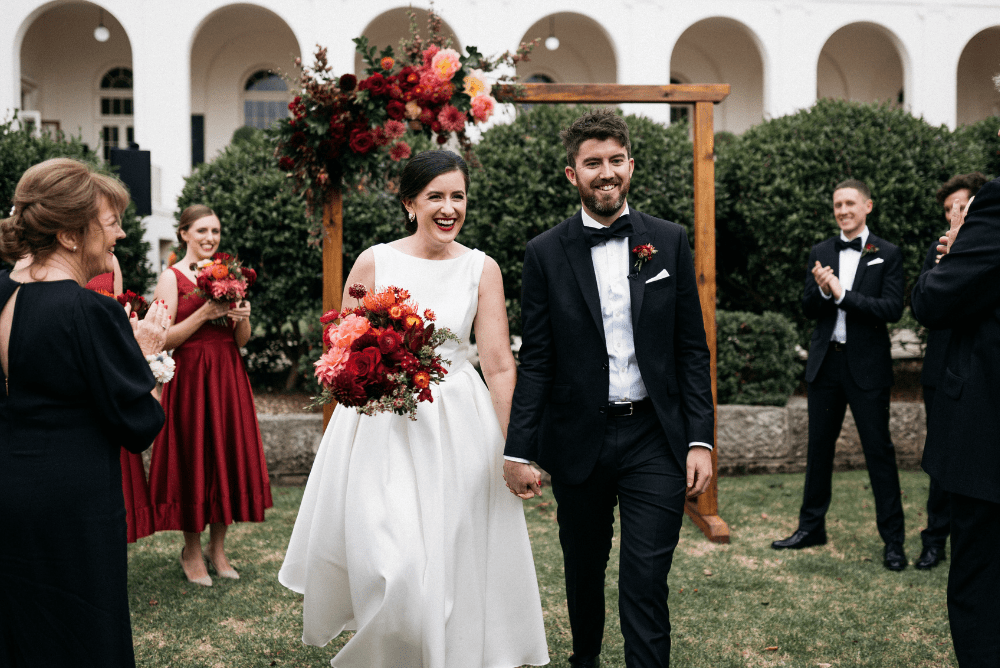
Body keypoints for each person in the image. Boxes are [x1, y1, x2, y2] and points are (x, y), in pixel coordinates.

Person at [279, 150, 549, 668]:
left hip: (460, 426)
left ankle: (449, 651)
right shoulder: (374, 262)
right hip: (384, 425)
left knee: (452, 552)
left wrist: (515, 449)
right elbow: (341, 349)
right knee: (393, 561)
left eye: (458, 197)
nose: (449, 209)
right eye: (435, 197)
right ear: (410, 204)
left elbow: (498, 365)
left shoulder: (481, 268)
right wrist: (371, 375)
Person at [503, 109, 715, 668]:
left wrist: (700, 439)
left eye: (615, 161)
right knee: (584, 570)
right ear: (571, 174)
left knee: (645, 578)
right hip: (579, 440)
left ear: (631, 167)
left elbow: (691, 350)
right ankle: (585, 660)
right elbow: (539, 360)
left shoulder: (667, 241)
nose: (606, 172)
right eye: (592, 162)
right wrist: (520, 448)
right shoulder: (544, 254)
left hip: (654, 437)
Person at [0, 158, 169, 666]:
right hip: (73, 505)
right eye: (110, 221)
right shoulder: (87, 311)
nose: (118, 233)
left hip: (10, 487)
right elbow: (139, 424)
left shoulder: (3, 291)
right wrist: (151, 357)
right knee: (83, 631)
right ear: (72, 235)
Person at [771, 180, 908, 570]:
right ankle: (810, 527)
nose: (843, 210)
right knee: (818, 451)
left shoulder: (888, 253)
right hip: (825, 364)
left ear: (867, 205)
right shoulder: (821, 250)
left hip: (867, 367)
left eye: (849, 203)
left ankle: (894, 541)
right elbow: (809, 307)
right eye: (837, 205)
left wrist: (842, 293)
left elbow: (891, 309)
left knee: (879, 452)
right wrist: (822, 291)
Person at [911, 116, 1000, 666]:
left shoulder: (992, 208)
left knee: (980, 590)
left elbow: (931, 302)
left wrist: (952, 256)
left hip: (989, 435)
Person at [148, 204, 272, 586]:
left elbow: (240, 340)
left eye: (215, 232)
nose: (210, 238)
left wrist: (244, 317)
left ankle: (218, 550)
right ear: (184, 233)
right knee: (195, 457)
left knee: (225, 457)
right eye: (202, 231)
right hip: (190, 379)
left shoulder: (228, 275)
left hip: (226, 375)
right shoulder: (172, 278)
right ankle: (191, 550)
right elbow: (159, 338)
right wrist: (203, 314)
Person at [912, 171, 988, 571]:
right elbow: (925, 298)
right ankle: (934, 539)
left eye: (961, 206)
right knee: (941, 461)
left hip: (981, 374)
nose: (952, 214)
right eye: (947, 209)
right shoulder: (939, 246)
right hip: (942, 370)